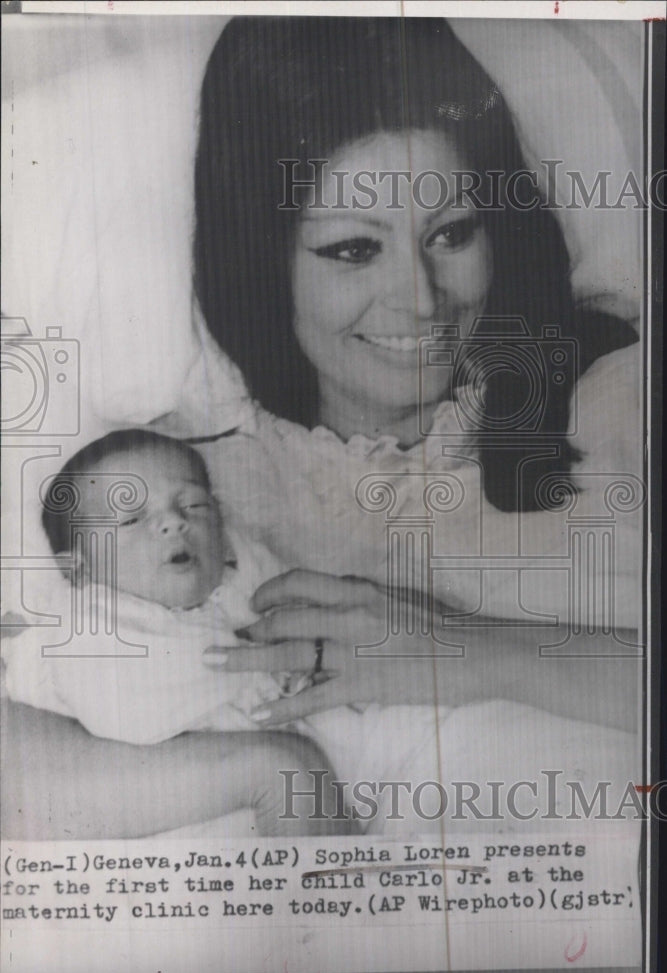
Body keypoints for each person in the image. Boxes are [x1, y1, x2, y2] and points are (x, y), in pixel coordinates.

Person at [2, 16, 643, 839]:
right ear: (265, 261)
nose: (420, 299)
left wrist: (461, 652)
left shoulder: (624, 400)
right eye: (350, 250)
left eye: (450, 234)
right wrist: (267, 771)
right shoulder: (183, 493)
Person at [3, 429, 346, 836]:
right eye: (131, 518)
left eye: (194, 504)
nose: (174, 522)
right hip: (151, 804)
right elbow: (126, 712)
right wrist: (256, 671)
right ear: (79, 569)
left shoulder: (241, 577)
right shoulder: (91, 624)